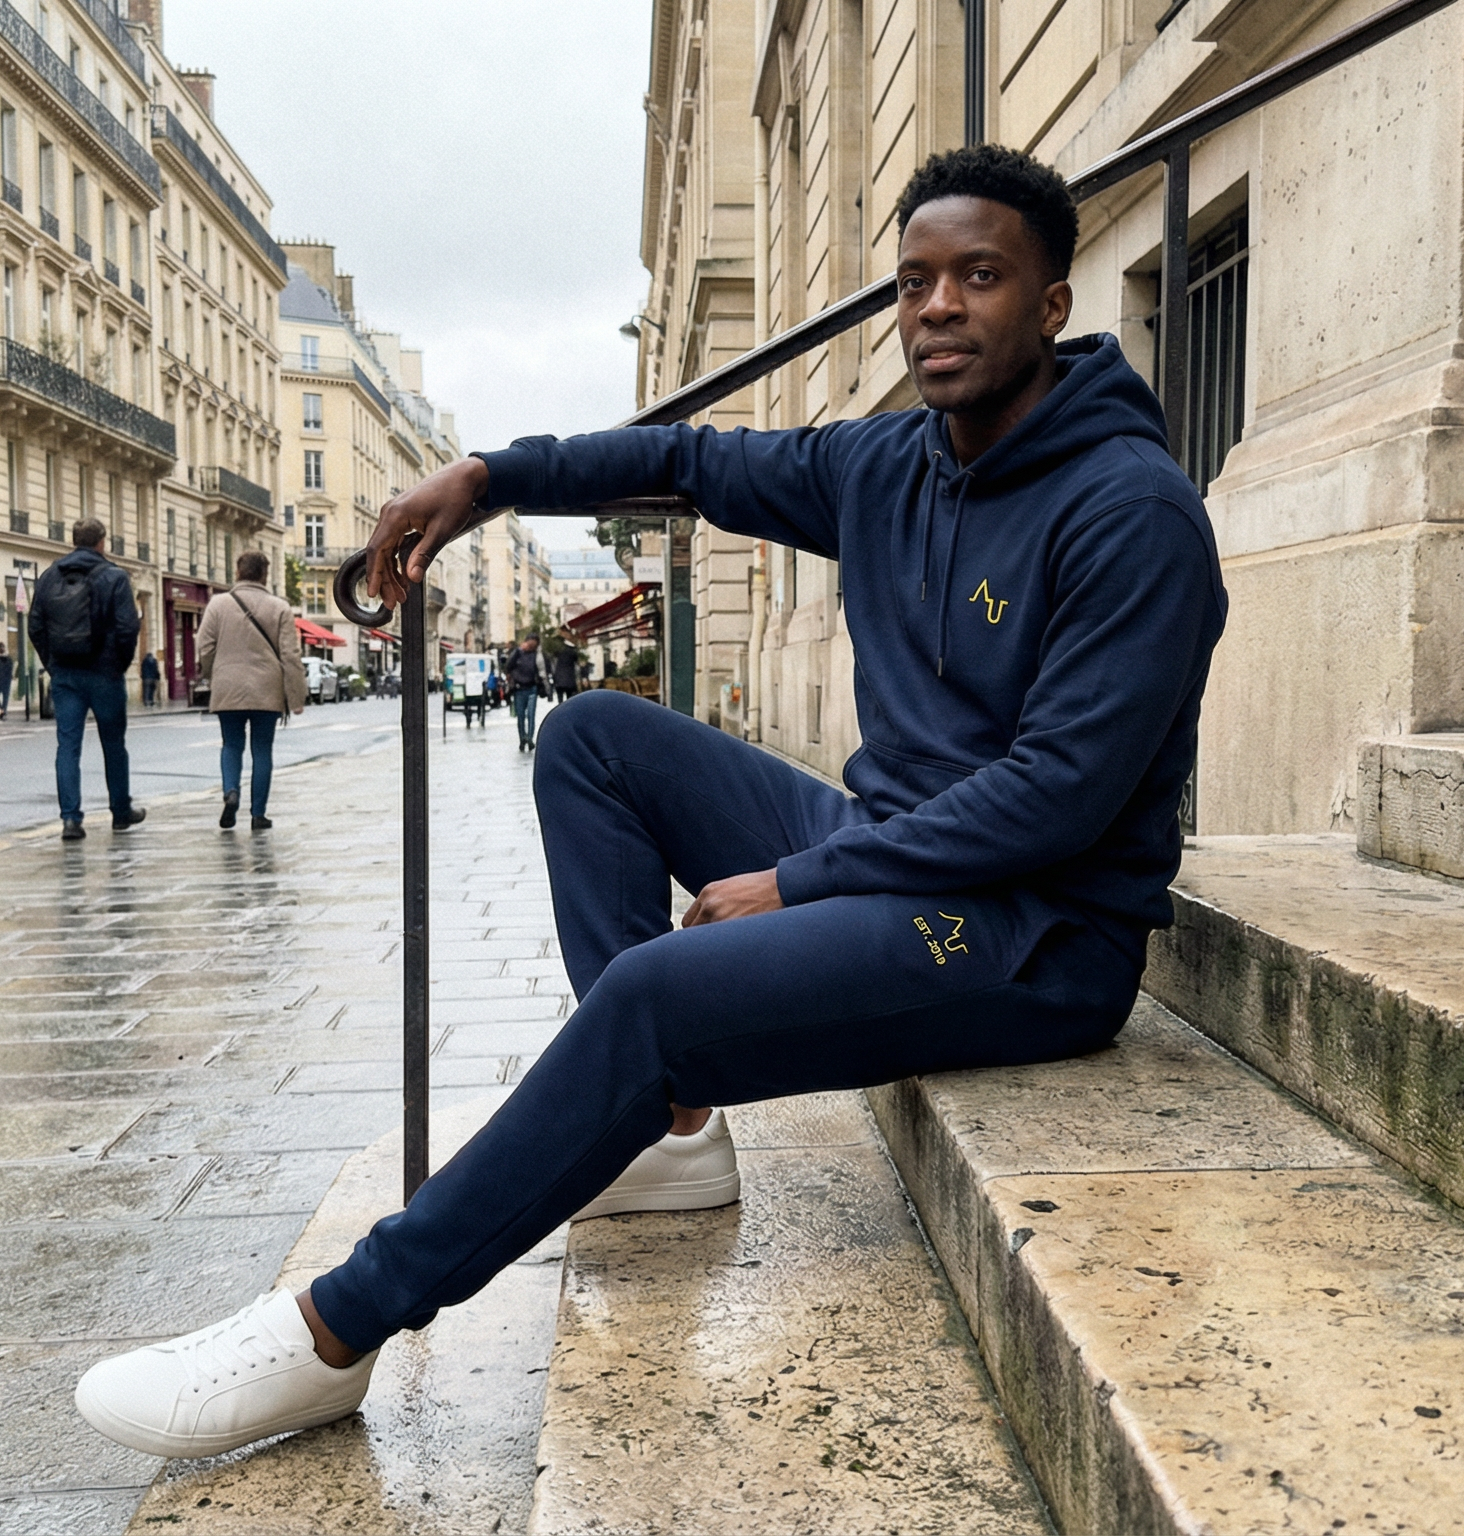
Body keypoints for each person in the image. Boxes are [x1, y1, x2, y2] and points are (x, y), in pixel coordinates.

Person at [75, 145, 1226, 1459]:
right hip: (900, 857)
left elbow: (1058, 798)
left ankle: (339, 1329)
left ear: (1053, 305)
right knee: (592, 736)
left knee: (655, 995)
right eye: (915, 282)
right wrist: (492, 479)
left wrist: (797, 884)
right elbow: (692, 459)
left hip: (1036, 932)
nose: (940, 307)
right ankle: (666, 1132)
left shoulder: (1132, 512)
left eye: (980, 276)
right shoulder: (892, 466)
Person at [28, 519, 145, 841]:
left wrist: (53, 665)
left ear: (74, 540)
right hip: (105, 671)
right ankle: (120, 812)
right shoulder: (115, 576)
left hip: (65, 672)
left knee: (67, 745)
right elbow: (127, 627)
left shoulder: (50, 575)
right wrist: (118, 664)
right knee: (114, 745)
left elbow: (36, 626)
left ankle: (70, 819)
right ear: (101, 542)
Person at [195, 551, 306, 831]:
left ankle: (231, 791)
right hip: (267, 688)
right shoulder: (279, 607)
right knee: (262, 749)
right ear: (264, 575)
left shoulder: (218, 604)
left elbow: (204, 646)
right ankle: (258, 814)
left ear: (238, 571)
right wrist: (296, 696)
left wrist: (214, 673)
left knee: (231, 745)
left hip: (228, 685)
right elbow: (290, 654)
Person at [507, 630, 549, 751]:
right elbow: (508, 666)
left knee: (531, 715)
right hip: (519, 689)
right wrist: (518, 650)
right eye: (530, 643)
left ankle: (530, 739)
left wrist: (546, 687)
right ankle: (522, 739)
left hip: (532, 688)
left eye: (534, 644)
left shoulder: (537, 655)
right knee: (520, 716)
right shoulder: (518, 653)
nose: (531, 646)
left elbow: (542, 670)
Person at [551, 632, 581, 703]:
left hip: (559, 679)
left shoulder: (557, 651)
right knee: (570, 700)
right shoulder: (572, 651)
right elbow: (577, 666)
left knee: (560, 701)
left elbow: (553, 665)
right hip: (570, 680)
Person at [0, 641, 11, 721]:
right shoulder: (9, 659)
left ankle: (3, 711)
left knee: (5, 697)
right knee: (5, 697)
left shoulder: (8, 658)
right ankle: (2, 711)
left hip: (6, 681)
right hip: (5, 680)